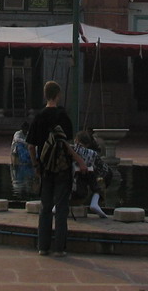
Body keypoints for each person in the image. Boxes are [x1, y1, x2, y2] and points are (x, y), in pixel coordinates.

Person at [27, 80, 86, 257]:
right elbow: (67, 145)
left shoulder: (39, 117)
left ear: (45, 95)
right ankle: (59, 248)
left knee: (45, 208)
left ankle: (42, 247)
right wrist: (80, 161)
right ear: (58, 95)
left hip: (45, 168)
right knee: (61, 209)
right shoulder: (63, 116)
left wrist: (35, 164)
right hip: (62, 168)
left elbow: (30, 146)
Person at [71, 130, 109, 218]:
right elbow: (105, 171)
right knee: (100, 178)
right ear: (88, 144)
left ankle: (56, 206)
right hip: (82, 195)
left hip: (66, 194)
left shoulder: (70, 150)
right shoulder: (93, 154)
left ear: (76, 139)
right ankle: (95, 201)